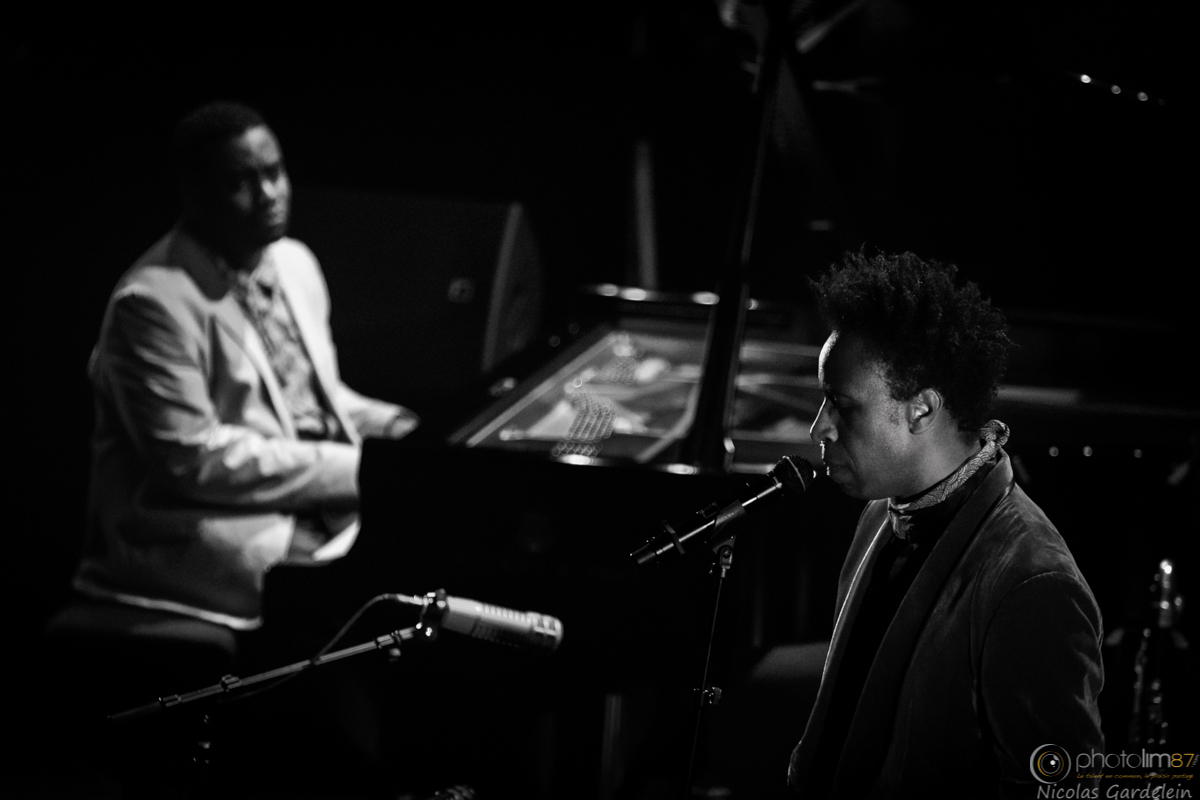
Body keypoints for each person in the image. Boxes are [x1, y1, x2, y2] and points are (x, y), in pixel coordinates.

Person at [72, 101, 419, 631]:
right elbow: (193, 459)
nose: (269, 194)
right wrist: (363, 469)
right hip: (194, 523)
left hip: (292, 494)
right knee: (354, 592)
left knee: (428, 541)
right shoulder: (151, 303)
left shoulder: (295, 262)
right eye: (240, 182)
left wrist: (394, 427)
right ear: (193, 193)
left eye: (274, 172)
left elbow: (311, 396)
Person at [787, 252, 1104, 797]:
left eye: (841, 405)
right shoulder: (880, 513)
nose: (820, 428)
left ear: (922, 410)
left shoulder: (1034, 583)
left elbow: (1062, 786)